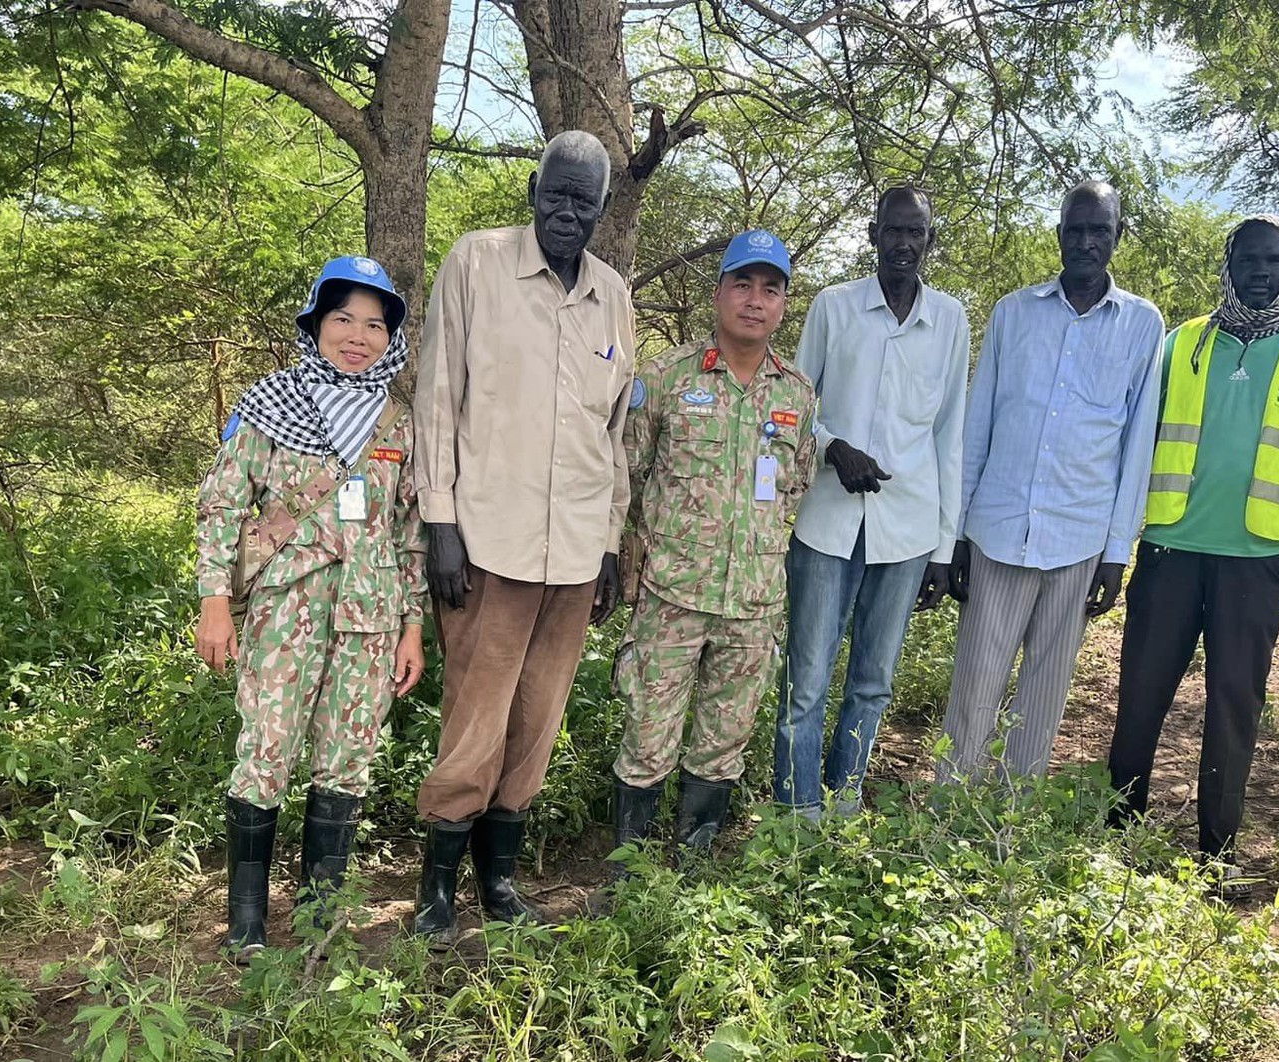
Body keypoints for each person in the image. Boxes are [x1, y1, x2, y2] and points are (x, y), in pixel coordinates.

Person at [410, 130, 637, 943]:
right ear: (533, 191)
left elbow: (611, 434)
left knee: (537, 722)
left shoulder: (613, 295)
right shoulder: (476, 264)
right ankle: (437, 893)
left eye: (584, 200)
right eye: (556, 194)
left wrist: (610, 542)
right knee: (475, 721)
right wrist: (439, 521)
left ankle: (498, 883)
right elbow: (437, 397)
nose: (567, 212)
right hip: (488, 543)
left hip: (575, 552)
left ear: (604, 208)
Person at [1106, 214, 1279, 883]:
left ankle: (1216, 852)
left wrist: (1273, 499)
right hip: (1170, 549)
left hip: (1255, 558)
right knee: (1141, 694)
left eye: (1273, 261)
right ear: (1229, 261)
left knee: (1233, 703)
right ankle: (1117, 829)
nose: (1260, 271)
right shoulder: (1183, 340)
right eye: (1248, 258)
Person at [192, 254, 426, 956]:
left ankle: (322, 913)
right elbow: (222, 507)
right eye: (343, 319)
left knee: (347, 758)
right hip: (285, 610)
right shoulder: (270, 404)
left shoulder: (398, 425)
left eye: (374, 325)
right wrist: (214, 603)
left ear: (392, 338)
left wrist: (413, 627)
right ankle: (248, 918)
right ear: (315, 324)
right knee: (265, 750)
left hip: (371, 620)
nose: (357, 336)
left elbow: (410, 532)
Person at [936, 182, 1165, 785]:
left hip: (1080, 538)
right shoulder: (1014, 312)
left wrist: (1118, 553)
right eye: (1077, 229)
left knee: (1043, 697)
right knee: (975, 683)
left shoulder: (1143, 325)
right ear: (1059, 233)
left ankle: (1011, 827)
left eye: (1101, 231)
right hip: (999, 530)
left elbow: (1136, 445)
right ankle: (946, 816)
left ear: (1118, 238)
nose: (1088, 242)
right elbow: (977, 424)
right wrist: (956, 534)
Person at [608, 230, 817, 868]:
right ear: (719, 292)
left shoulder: (798, 395)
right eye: (743, 284)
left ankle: (692, 866)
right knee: (648, 735)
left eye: (770, 289)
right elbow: (629, 475)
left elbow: (796, 484)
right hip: (671, 594)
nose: (755, 300)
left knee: (723, 741)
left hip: (751, 603)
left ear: (783, 304)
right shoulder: (667, 378)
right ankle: (633, 871)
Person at [775, 185, 972, 819]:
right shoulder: (833, 309)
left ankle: (843, 802)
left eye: (916, 233)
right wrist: (834, 448)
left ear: (929, 242)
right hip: (827, 524)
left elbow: (949, 438)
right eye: (894, 230)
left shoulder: (951, 322)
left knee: (873, 682)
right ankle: (797, 809)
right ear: (873, 234)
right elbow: (796, 407)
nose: (904, 244)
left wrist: (943, 548)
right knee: (807, 680)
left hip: (907, 532)